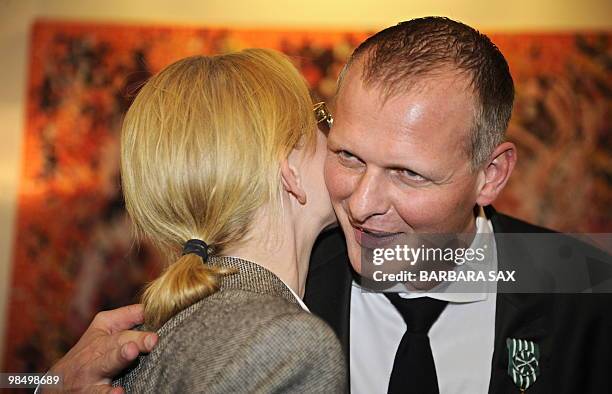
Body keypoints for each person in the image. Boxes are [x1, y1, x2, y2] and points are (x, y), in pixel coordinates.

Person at [43, 17, 611, 394]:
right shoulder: (275, 287)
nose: (361, 204)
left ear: (491, 174)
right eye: (348, 156)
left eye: (407, 174)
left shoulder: (584, 285)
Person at [41, 48, 346, 393]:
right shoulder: (287, 344)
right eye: (321, 119)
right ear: (288, 170)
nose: (336, 140)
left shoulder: (159, 331)